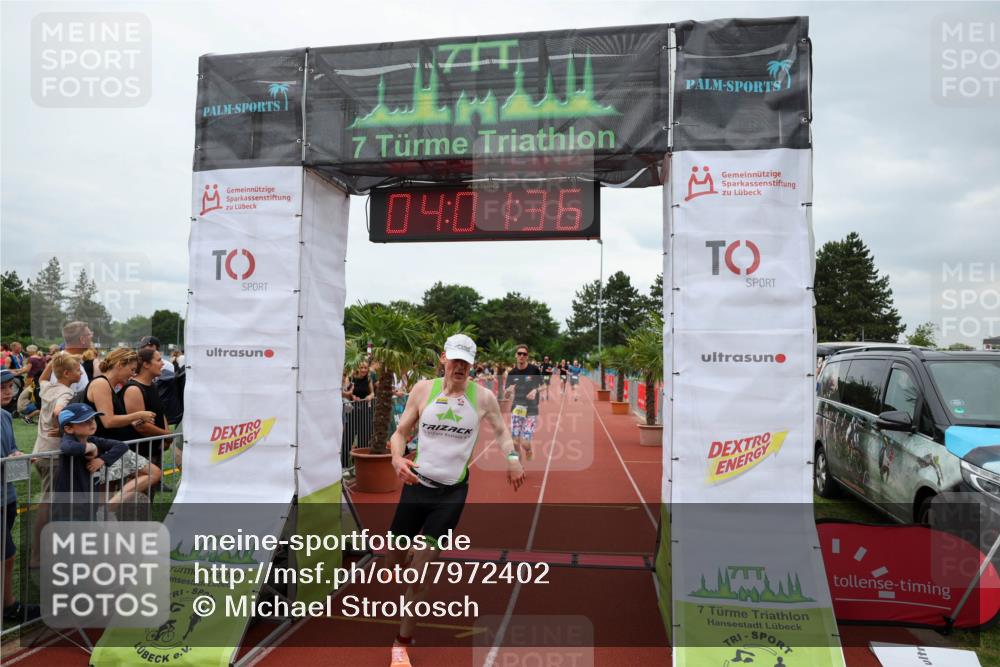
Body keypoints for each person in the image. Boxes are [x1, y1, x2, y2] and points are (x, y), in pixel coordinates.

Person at [385, 334, 524, 667]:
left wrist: (513, 458)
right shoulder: (423, 390)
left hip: (451, 494)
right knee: (393, 560)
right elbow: (400, 433)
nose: (460, 367)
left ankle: (401, 643)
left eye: (467, 362)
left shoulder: (483, 398)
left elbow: (502, 431)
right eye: (456, 360)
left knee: (418, 573)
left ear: (472, 365)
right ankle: (408, 565)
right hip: (416, 487)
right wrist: (396, 458)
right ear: (444, 359)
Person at [82, 348, 161, 500]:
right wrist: (138, 414)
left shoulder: (109, 385)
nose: (133, 374)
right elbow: (108, 421)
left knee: (106, 492)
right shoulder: (101, 383)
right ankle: (110, 507)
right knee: (153, 473)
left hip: (110, 448)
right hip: (103, 448)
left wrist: (133, 420)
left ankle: (108, 509)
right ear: (119, 364)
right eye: (132, 369)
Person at [29, 352, 80, 566]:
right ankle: (37, 556)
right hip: (53, 455)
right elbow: (60, 411)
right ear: (67, 373)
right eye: (77, 369)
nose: (80, 372)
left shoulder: (48, 388)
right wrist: (64, 429)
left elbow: (42, 378)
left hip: (40, 452)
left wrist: (54, 360)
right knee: (48, 504)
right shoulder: (66, 392)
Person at [1, 369, 39, 626]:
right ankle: (9, 606)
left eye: (9, 387)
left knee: (6, 553)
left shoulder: (5, 416)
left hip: (7, 495)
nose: (7, 392)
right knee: (7, 554)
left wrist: (18, 455)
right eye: (1, 388)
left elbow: (11, 447)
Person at [53, 403, 130, 520]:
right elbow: (68, 448)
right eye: (85, 421)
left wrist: (102, 459)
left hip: (89, 500)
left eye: (93, 419)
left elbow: (122, 446)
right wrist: (92, 447)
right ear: (69, 429)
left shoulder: (92, 439)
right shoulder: (68, 440)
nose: (92, 423)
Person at [124, 347, 173, 496]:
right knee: (137, 499)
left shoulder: (152, 385)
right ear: (146, 364)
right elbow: (141, 426)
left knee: (149, 496)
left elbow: (160, 413)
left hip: (154, 450)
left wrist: (166, 435)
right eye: (158, 360)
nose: (162, 364)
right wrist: (166, 435)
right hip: (140, 452)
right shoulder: (134, 389)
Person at [504, 344, 543, 461]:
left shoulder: (534, 370)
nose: (521, 356)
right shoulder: (512, 373)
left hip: (531, 410)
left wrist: (535, 390)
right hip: (517, 408)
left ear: (527, 356)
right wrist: (508, 391)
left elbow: (544, 385)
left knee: (525, 443)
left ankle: (528, 450)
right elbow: (506, 394)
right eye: (519, 353)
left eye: (524, 354)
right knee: (515, 441)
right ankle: (518, 465)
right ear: (516, 355)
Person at [342, 360, 375, 469]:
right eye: (361, 368)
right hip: (352, 412)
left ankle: (362, 465)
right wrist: (352, 397)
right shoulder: (350, 378)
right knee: (348, 438)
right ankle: (344, 466)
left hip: (365, 412)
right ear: (357, 368)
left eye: (365, 368)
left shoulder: (368, 379)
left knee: (364, 439)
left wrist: (370, 397)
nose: (364, 370)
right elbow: (346, 393)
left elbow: (372, 393)